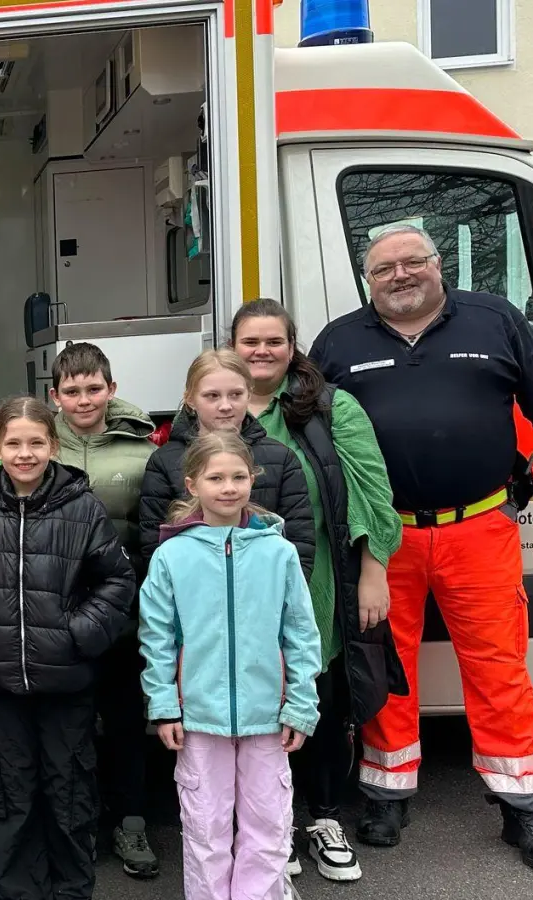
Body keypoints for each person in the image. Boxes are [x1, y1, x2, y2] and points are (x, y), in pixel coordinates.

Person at [310, 223, 533, 871]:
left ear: (438, 265)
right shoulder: (339, 341)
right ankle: (386, 791)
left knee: (497, 664)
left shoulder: (495, 320)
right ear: (366, 282)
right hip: (384, 535)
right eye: (383, 270)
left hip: (480, 525)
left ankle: (525, 810)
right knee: (387, 665)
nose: (400, 276)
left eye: (413, 262)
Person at [231, 298, 406, 883]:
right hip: (239, 590)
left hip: (320, 579)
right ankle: (270, 823)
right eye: (249, 341)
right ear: (233, 347)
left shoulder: (332, 408)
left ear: (292, 346)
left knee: (322, 700)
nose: (261, 351)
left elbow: (371, 489)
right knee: (257, 705)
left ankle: (324, 815)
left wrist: (374, 569)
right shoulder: (215, 407)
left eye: (273, 341)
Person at [0, 395, 136, 900]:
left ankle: (71, 891)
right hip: (2, 686)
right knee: (9, 796)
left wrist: (79, 635)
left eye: (35, 442)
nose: (24, 453)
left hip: (67, 684)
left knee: (69, 794)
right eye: (13, 443)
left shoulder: (82, 506)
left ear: (52, 444)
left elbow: (116, 580)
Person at [139, 431, 322, 900]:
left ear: (253, 479)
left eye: (238, 476)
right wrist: (164, 706)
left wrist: (301, 705)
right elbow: (156, 638)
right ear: (192, 484)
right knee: (205, 827)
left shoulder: (278, 552)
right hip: (198, 717)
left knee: (268, 823)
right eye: (215, 477)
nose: (228, 487)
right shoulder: (171, 555)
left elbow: (301, 633)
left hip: (268, 716)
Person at [47, 342, 159, 880]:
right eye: (72, 391)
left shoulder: (142, 450)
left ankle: (131, 821)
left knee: (123, 721)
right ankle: (80, 823)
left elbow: (150, 531)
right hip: (60, 618)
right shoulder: (42, 449)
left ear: (111, 390)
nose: (84, 399)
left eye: (94, 388)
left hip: (122, 616)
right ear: (55, 396)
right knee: (70, 728)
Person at [140, 349, 315, 579]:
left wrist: (274, 597)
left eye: (235, 394)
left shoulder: (281, 459)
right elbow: (154, 547)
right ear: (191, 399)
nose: (225, 405)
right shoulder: (164, 461)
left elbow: (300, 543)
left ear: (249, 394)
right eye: (212, 396)